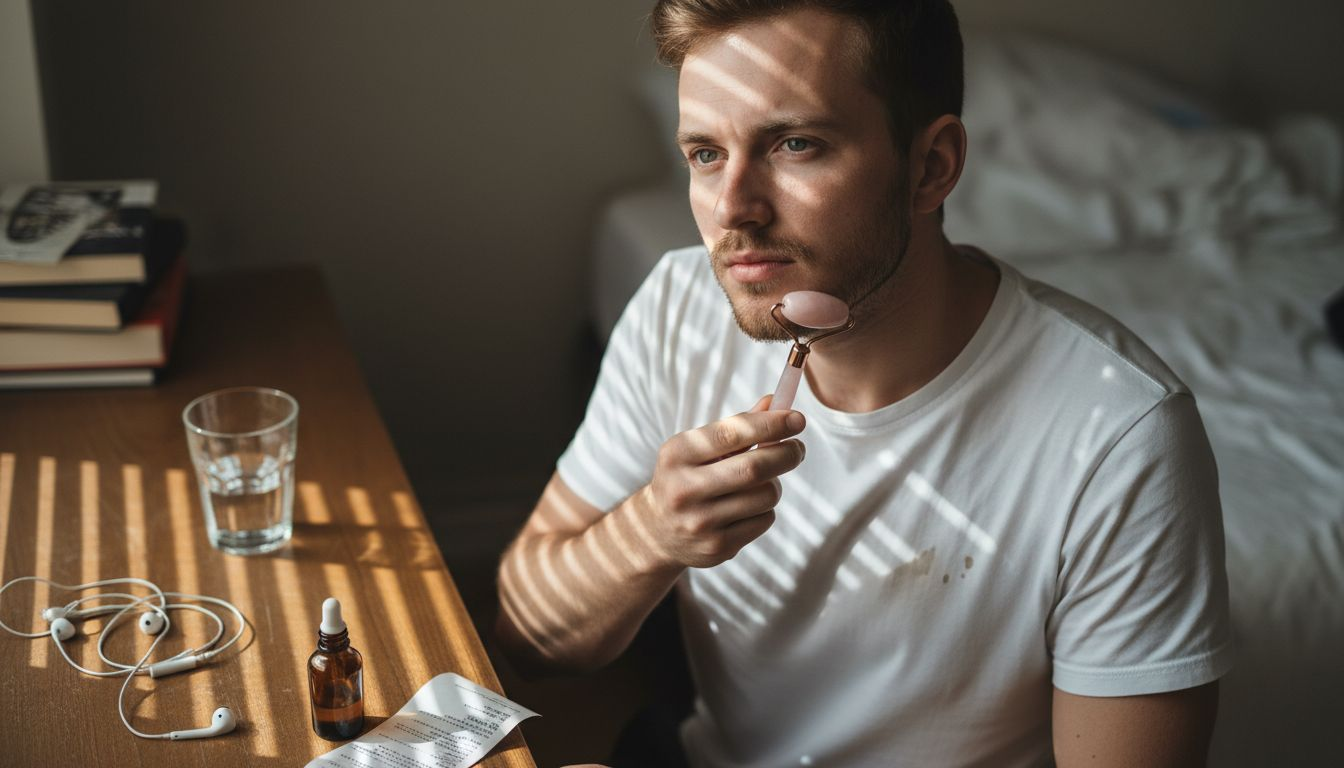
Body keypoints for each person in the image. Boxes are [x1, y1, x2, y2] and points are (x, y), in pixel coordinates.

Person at [496, 1, 1233, 765]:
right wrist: (650, 532)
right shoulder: (681, 305)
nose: (732, 210)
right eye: (706, 154)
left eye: (795, 144)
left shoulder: (1118, 432)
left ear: (932, 166)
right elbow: (528, 636)